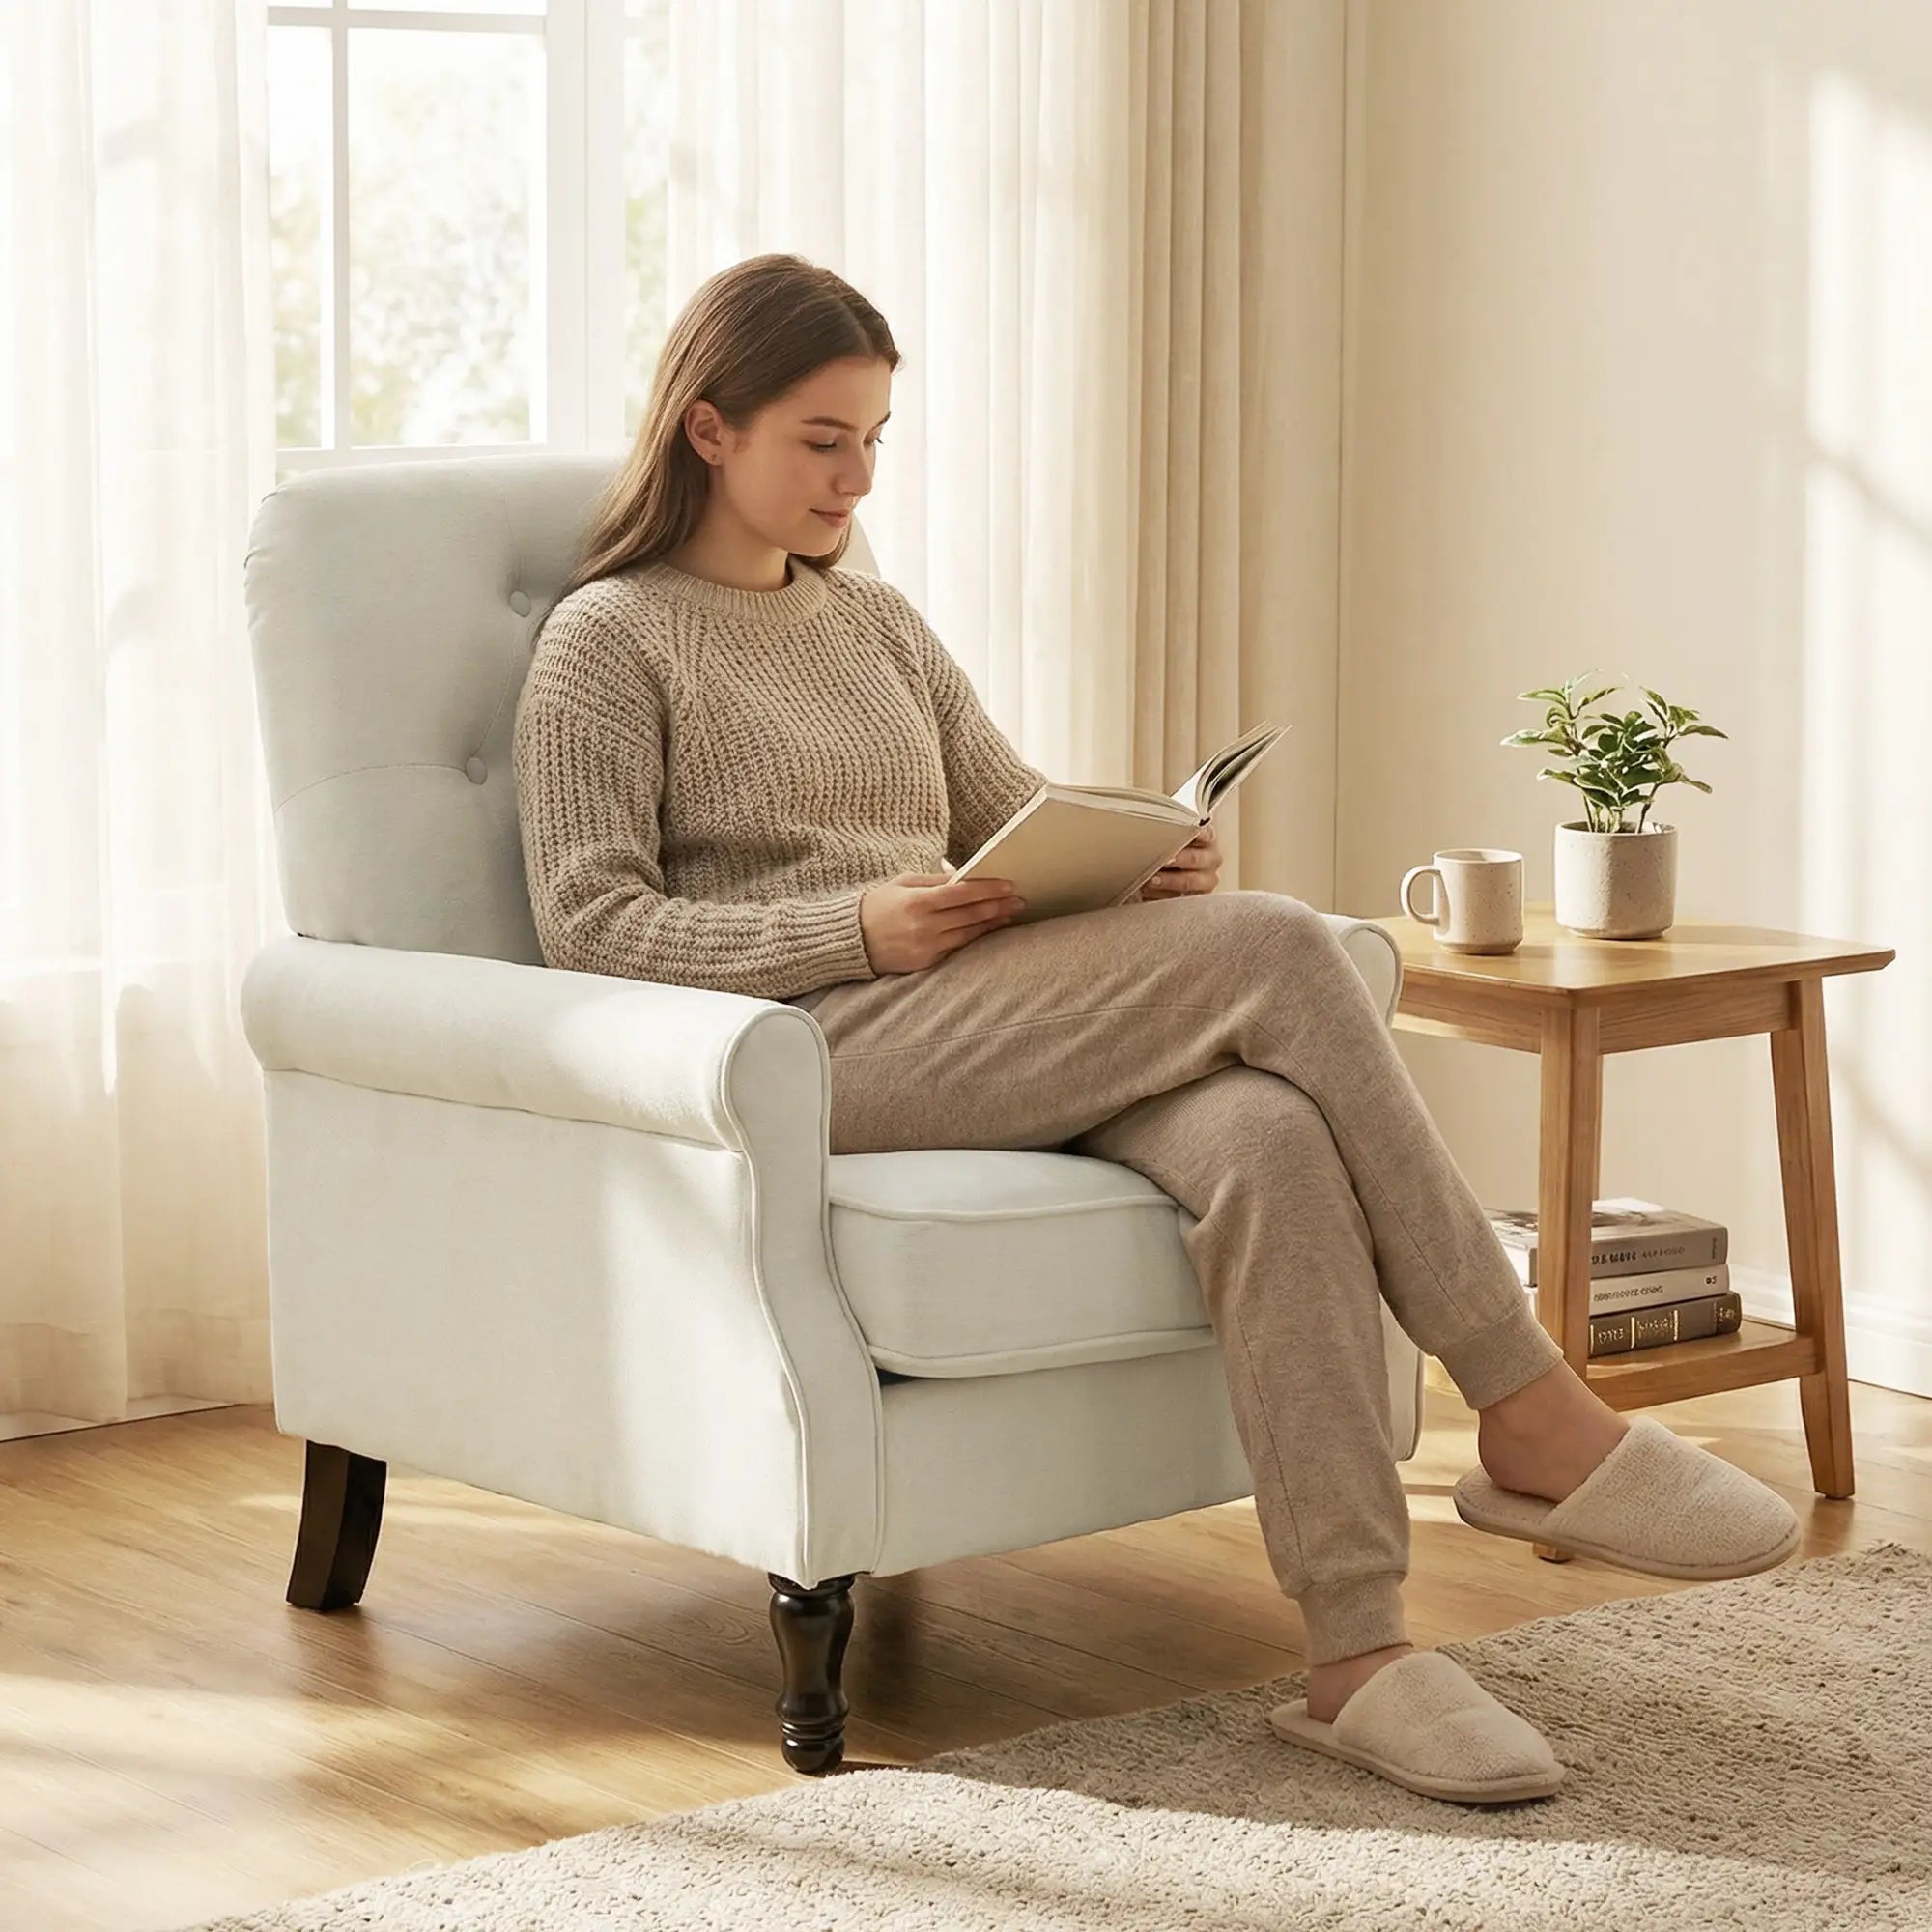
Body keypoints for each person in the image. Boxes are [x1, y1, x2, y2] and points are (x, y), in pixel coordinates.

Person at [512, 253, 1801, 1806]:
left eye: (874, 440)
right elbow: (594, 929)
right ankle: (1529, 1406)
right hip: (813, 1050)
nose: (855, 478)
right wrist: (853, 927)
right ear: (708, 429)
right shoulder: (608, 640)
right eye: (821, 441)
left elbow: (1011, 822)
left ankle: (1357, 1659)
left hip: (977, 1016)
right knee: (1275, 948)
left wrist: (1141, 860)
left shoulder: (879, 629)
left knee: (1267, 1135)